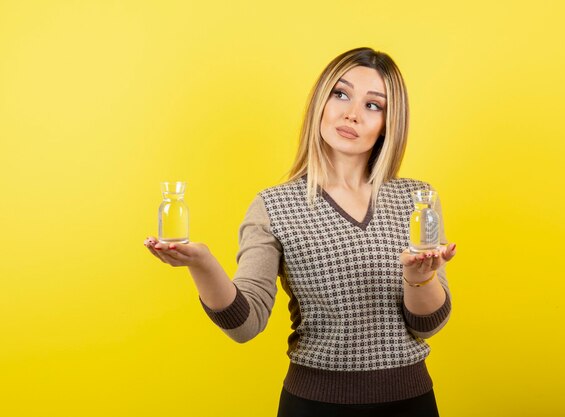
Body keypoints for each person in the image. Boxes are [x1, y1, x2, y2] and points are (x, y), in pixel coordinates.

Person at [144, 47, 457, 417]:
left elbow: (428, 324)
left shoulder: (417, 201)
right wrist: (202, 264)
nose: (351, 114)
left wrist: (418, 278)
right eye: (340, 94)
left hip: (410, 403)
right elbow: (245, 324)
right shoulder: (274, 206)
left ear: (389, 122)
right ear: (321, 103)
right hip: (313, 405)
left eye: (373, 105)